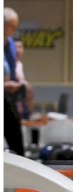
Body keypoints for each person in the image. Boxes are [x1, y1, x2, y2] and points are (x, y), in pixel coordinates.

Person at [4, 7, 25, 156]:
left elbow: (11, 67)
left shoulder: (10, 43)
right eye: (11, 25)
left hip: (8, 95)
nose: (14, 29)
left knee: (15, 136)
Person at [13, 40, 33, 119]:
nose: (17, 50)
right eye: (15, 47)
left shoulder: (19, 65)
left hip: (21, 101)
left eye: (19, 47)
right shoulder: (6, 64)